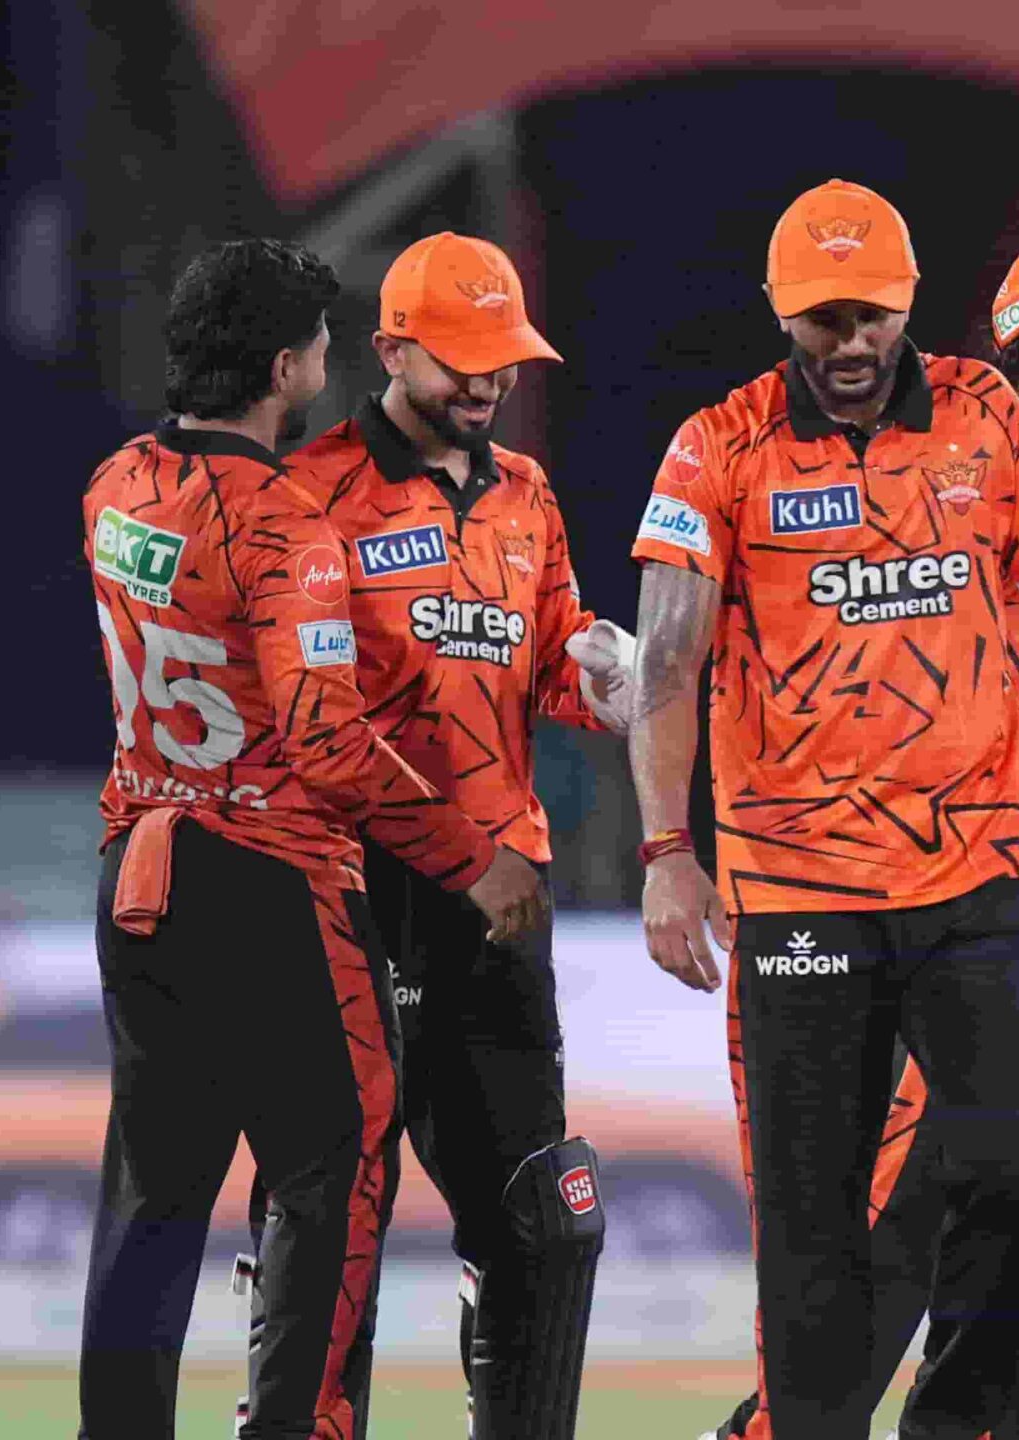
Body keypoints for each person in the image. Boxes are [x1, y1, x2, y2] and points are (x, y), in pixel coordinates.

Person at [627, 179, 1019, 1440]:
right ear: (779, 311)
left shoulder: (981, 416)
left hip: (970, 875)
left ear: (909, 302)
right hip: (797, 889)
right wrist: (665, 850)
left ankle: (949, 1426)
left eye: (871, 314)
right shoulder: (718, 445)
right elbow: (667, 660)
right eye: (823, 318)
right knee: (811, 1230)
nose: (851, 342)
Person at [78, 237, 544, 1438]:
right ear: (287, 367)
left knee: (152, 1195)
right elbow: (328, 744)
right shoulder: (289, 527)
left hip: (137, 876)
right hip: (266, 881)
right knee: (334, 1158)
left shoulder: (114, 487)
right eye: (321, 344)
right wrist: (471, 859)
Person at [268, 231, 634, 1439]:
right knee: (328, 1213)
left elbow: (553, 661)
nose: (487, 382)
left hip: (502, 896)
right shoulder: (308, 490)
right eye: (460, 359)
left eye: (503, 357)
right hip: (351, 889)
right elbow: (302, 718)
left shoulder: (527, 492)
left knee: (542, 1215)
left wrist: (609, 677)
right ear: (390, 350)